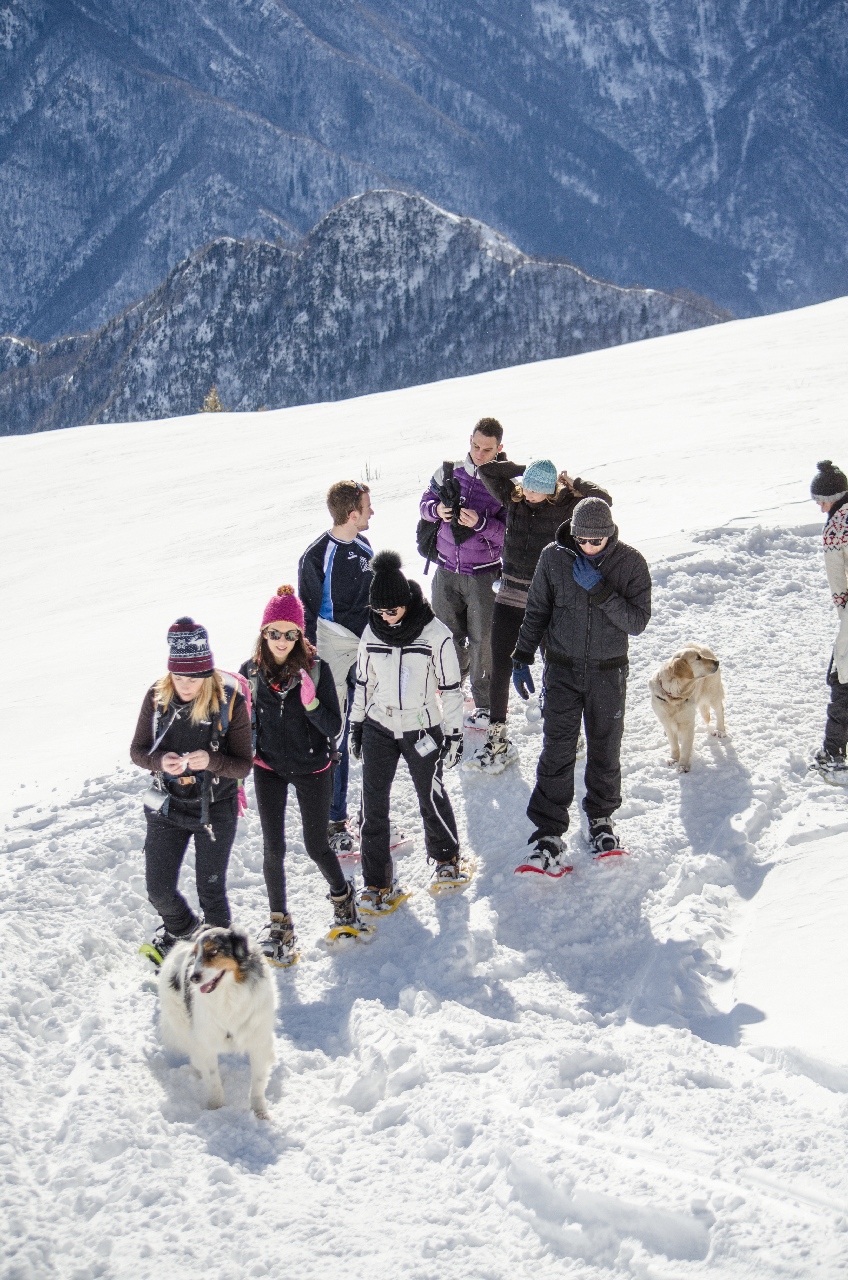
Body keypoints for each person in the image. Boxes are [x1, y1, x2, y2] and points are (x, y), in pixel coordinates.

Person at [511, 497, 651, 868]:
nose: (587, 547)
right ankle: (548, 833)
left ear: (609, 535)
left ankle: (601, 821)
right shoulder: (553, 558)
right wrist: (522, 655)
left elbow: (637, 622)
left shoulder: (631, 563)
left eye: (595, 541)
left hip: (608, 672)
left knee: (605, 747)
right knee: (557, 750)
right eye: (582, 540)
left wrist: (600, 590)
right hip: (562, 670)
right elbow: (537, 610)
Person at [240, 586, 362, 965]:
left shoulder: (317, 669)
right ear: (263, 633)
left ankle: (343, 899)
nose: (282, 640)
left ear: (299, 634)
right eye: (274, 632)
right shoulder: (250, 672)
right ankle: (280, 925)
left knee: (315, 845)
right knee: (273, 848)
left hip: (313, 767)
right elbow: (239, 724)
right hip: (269, 768)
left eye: (290, 633)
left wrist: (311, 704)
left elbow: (334, 726)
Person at [469, 456, 612, 772]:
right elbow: (487, 470)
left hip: (547, 600)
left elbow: (603, 500)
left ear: (550, 490)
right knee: (500, 666)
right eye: (527, 487)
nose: (529, 493)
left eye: (536, 489)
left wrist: (574, 483)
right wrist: (525, 471)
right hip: (509, 597)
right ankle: (497, 741)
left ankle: (568, 733)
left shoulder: (566, 508)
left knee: (555, 667)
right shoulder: (514, 500)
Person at [349, 551, 467, 909]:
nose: (385, 616)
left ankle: (447, 859)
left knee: (430, 795)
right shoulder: (372, 631)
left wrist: (455, 733)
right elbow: (364, 682)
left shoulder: (435, 634)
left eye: (392, 610)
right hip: (379, 725)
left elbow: (451, 688)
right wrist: (356, 724)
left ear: (406, 602)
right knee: (373, 806)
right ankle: (377, 883)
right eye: (379, 610)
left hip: (421, 726)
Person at [131, 617, 253, 963]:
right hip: (167, 806)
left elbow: (243, 765)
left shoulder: (229, 701)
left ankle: (223, 965)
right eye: (179, 677)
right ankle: (183, 932)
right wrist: (159, 761)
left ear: (207, 674)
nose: (185, 686)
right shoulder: (157, 696)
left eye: (194, 678)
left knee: (211, 892)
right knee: (158, 890)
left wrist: (212, 760)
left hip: (215, 808)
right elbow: (137, 751)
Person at [298, 480, 374, 853]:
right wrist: (310, 661)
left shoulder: (364, 545)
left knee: (375, 726)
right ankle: (334, 820)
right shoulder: (316, 556)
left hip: (366, 645)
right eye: (368, 506)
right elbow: (307, 612)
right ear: (352, 514)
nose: (372, 512)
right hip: (331, 645)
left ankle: (372, 816)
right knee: (337, 732)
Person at [419, 417, 507, 728]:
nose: (479, 454)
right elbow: (424, 504)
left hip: (484, 575)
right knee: (446, 637)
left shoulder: (505, 484)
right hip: (445, 570)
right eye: (476, 446)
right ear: (470, 439)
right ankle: (452, 693)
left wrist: (481, 524)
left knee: (483, 640)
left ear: (500, 448)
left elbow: (509, 534)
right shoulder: (447, 471)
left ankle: (484, 704)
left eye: (487, 449)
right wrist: (436, 511)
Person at [809, 460, 848, 781]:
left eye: (822, 501)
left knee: (842, 681)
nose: (821, 509)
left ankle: (832, 757)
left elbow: (839, 587)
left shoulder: (836, 527)